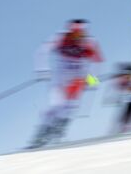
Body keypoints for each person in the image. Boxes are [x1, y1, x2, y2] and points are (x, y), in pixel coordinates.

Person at [29, 19, 103, 148]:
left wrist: (93, 79)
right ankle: (42, 134)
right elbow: (41, 51)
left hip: (77, 78)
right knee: (57, 105)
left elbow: (97, 62)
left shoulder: (90, 42)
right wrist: (42, 69)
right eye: (74, 33)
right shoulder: (61, 37)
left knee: (71, 106)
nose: (77, 36)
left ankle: (58, 132)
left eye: (80, 33)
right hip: (60, 77)